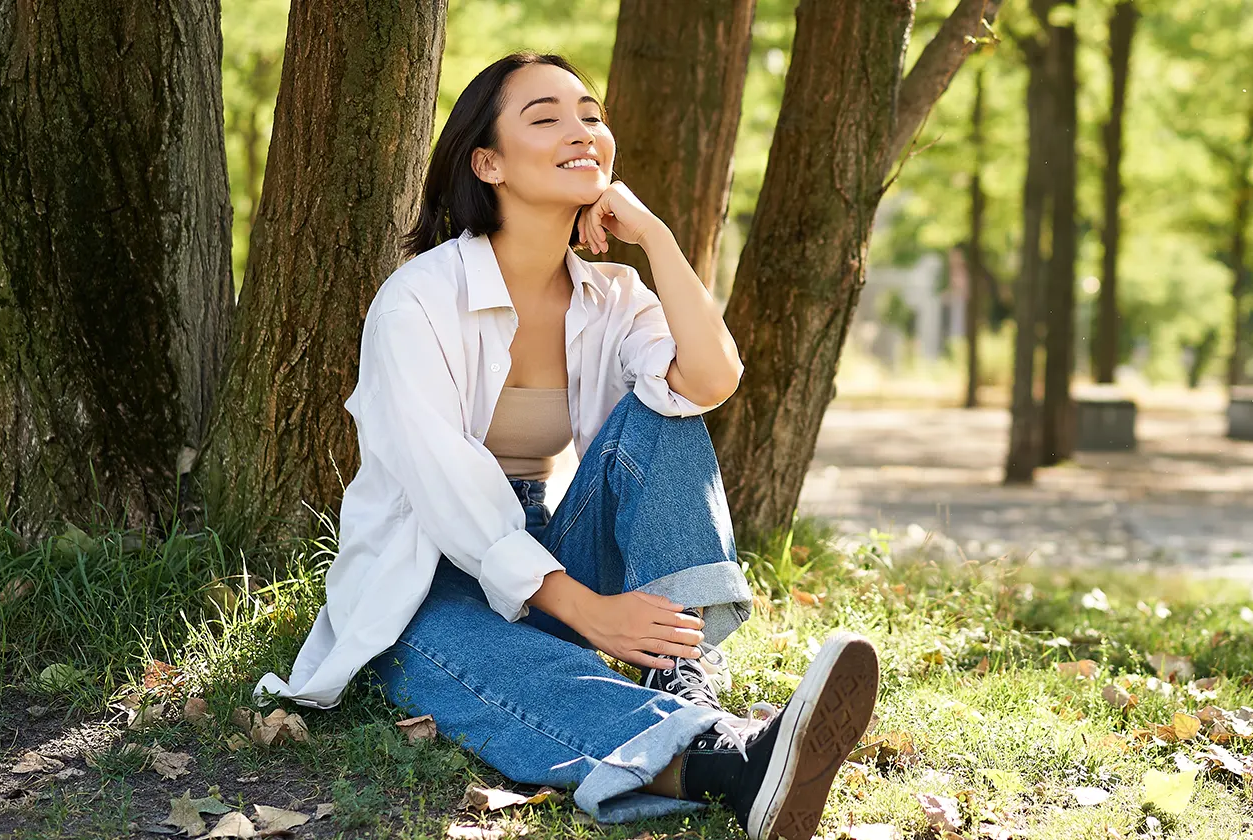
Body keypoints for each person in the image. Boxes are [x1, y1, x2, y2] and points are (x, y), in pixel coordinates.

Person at [253, 52, 878, 840]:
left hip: (550, 538)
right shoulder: (417, 300)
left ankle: (683, 678)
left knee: (665, 407)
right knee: (451, 654)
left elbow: (710, 380)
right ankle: (731, 763)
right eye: (544, 118)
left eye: (590, 114)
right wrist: (587, 611)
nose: (582, 131)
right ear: (489, 163)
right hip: (429, 571)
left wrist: (651, 235)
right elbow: (449, 494)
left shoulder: (611, 292)